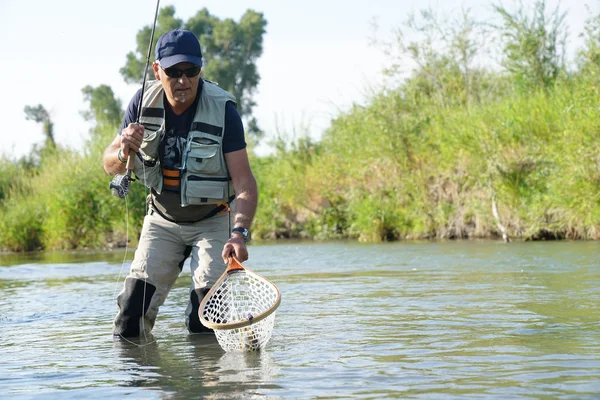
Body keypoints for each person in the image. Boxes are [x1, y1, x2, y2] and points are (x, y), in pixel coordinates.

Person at [103, 29, 258, 338]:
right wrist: (124, 149)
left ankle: (208, 381)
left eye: (191, 71)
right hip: (162, 220)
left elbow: (245, 183)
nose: (183, 80)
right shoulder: (141, 102)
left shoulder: (224, 109)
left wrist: (239, 233)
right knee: (130, 320)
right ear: (157, 70)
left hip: (213, 220)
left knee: (206, 322)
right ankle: (141, 384)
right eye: (173, 72)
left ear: (200, 69)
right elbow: (109, 164)